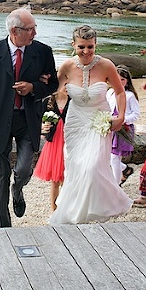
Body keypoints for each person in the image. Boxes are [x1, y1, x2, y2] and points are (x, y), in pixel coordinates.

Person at [0, 8, 58, 228]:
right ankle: (4, 225)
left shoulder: (43, 52)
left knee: (23, 169)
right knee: (2, 174)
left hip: (28, 120)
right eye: (30, 29)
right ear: (14, 31)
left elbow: (53, 84)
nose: (34, 33)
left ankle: (17, 190)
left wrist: (33, 87)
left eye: (35, 28)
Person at [48, 25, 132, 225]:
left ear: (96, 45)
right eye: (81, 47)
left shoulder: (106, 65)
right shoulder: (67, 66)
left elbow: (120, 92)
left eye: (90, 47)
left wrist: (120, 117)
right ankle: (75, 212)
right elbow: (52, 90)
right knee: (76, 166)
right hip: (76, 121)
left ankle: (105, 204)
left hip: (98, 120)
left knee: (93, 166)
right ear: (73, 45)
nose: (86, 52)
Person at [33, 85, 70, 212]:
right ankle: (54, 209)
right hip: (54, 143)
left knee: (68, 178)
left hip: (69, 142)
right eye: (64, 84)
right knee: (55, 180)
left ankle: (67, 208)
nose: (67, 87)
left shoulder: (73, 101)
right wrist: (43, 128)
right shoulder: (47, 102)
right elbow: (37, 121)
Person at [106, 65, 140, 185]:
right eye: (117, 79)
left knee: (115, 157)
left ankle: (116, 185)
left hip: (123, 128)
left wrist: (123, 119)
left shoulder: (130, 96)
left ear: (127, 81)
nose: (119, 82)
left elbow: (136, 114)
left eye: (123, 80)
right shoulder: (109, 92)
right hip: (109, 127)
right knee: (107, 156)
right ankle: (125, 169)